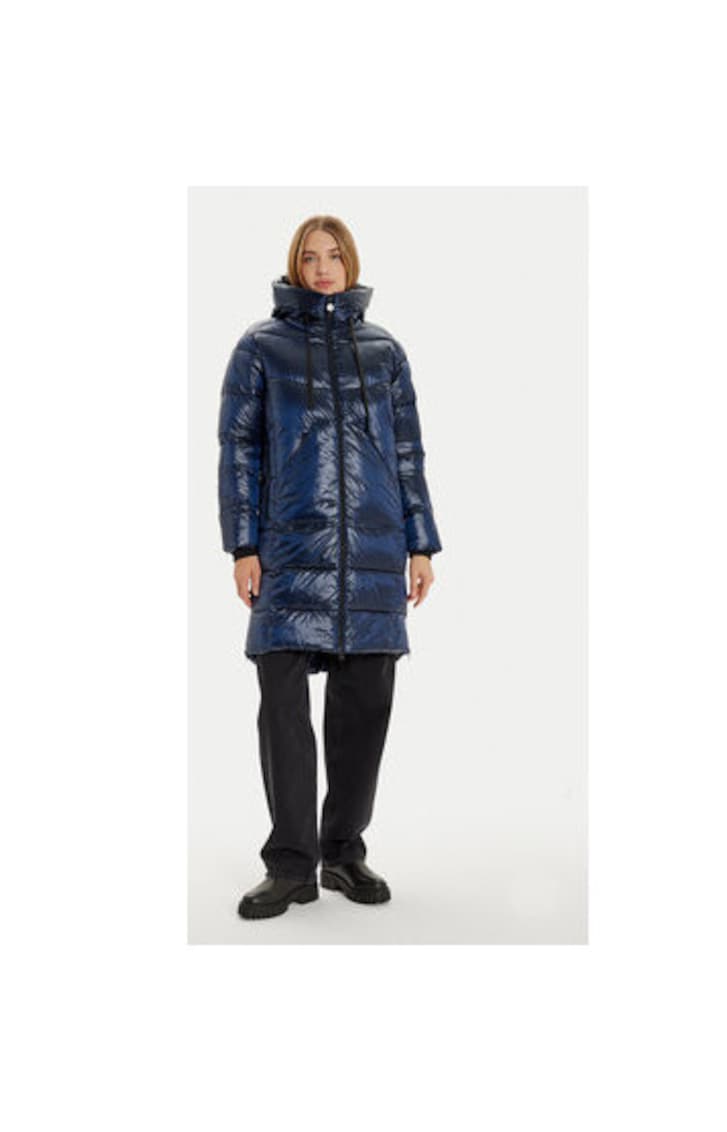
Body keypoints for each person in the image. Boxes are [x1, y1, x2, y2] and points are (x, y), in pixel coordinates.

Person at [217, 215, 442, 920]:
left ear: (351, 264)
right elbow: (239, 451)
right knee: (283, 709)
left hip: (373, 554)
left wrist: (421, 544)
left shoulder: (385, 352)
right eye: (310, 257)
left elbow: (407, 454)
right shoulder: (260, 348)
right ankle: (290, 865)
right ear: (295, 265)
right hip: (288, 553)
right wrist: (243, 546)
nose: (322, 268)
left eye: (334, 256)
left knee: (365, 709)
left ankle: (343, 851)